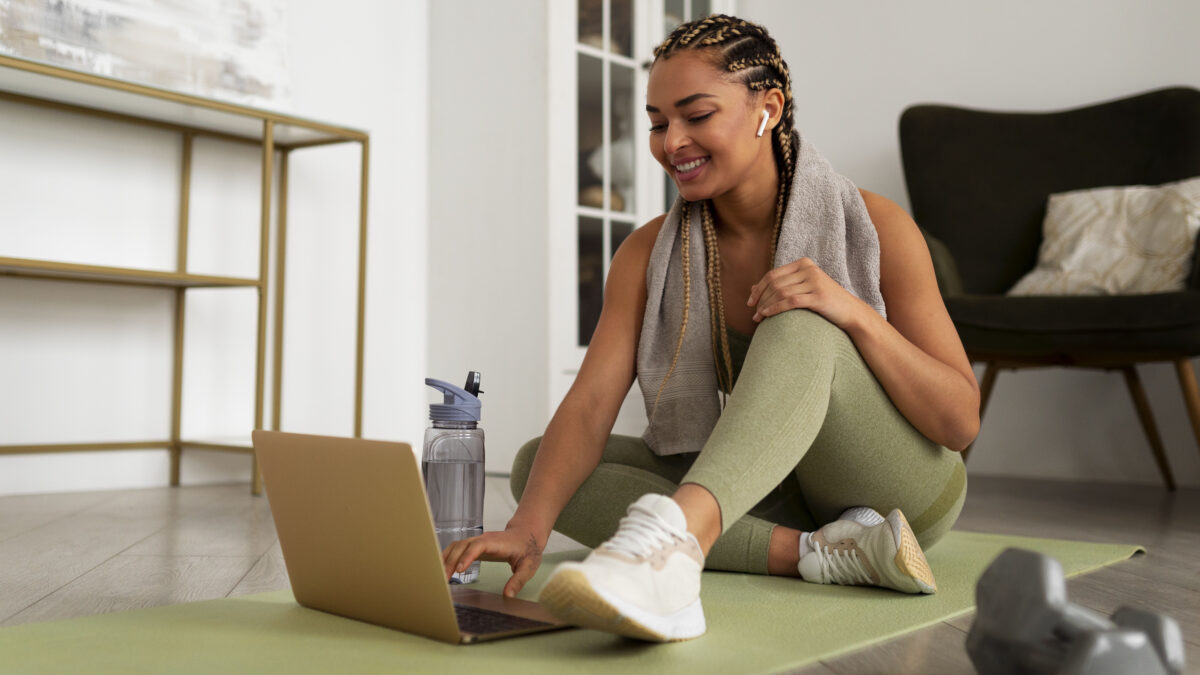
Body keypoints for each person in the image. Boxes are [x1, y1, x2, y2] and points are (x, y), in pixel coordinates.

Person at [441, 14, 979, 642]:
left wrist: (848, 310)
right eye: (657, 122)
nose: (673, 142)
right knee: (541, 468)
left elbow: (959, 421)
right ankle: (817, 551)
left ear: (767, 109)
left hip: (898, 489)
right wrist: (529, 530)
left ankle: (674, 553)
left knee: (799, 321)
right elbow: (590, 406)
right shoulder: (648, 254)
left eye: (696, 116)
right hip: (781, 491)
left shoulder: (878, 225)